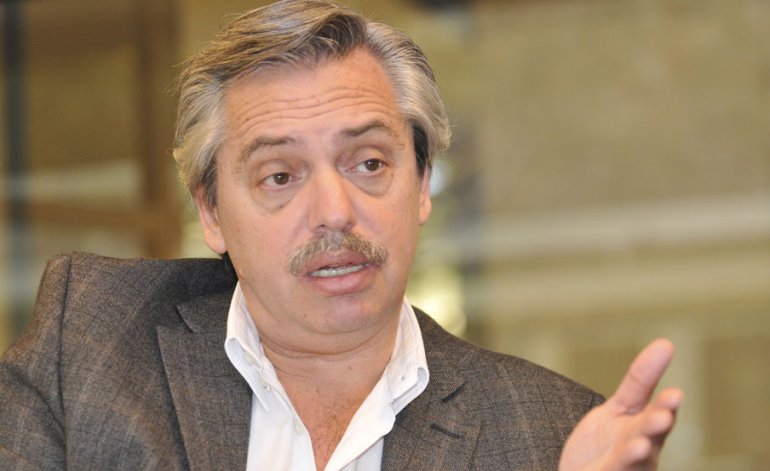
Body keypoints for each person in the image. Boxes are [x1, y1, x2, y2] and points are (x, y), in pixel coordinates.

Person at [0, 1, 682, 470]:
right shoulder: (94, 348)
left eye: (369, 163)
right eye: (279, 175)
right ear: (211, 212)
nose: (334, 211)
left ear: (421, 185)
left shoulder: (553, 434)